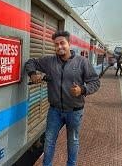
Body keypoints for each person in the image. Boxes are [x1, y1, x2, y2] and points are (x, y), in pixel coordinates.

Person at [25, 30, 100, 166]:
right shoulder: (49, 61)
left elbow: (95, 82)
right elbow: (30, 62)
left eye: (62, 43)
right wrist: (32, 74)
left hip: (75, 111)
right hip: (54, 111)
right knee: (49, 141)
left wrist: (82, 89)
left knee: (73, 142)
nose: (59, 47)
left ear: (69, 43)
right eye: (56, 44)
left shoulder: (82, 62)